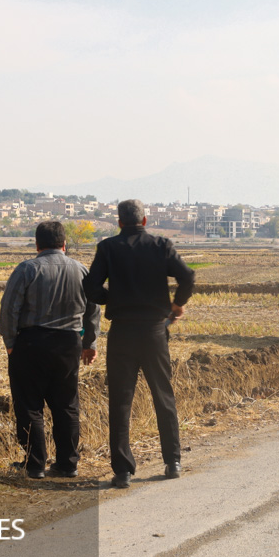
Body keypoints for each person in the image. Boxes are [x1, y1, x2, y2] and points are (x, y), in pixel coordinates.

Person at [84, 200, 196, 488]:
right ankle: (173, 461)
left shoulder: (107, 248)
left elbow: (91, 287)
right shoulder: (161, 245)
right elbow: (187, 276)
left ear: (119, 222)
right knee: (163, 395)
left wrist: (113, 298)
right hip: (154, 331)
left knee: (121, 400)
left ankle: (123, 471)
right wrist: (178, 303)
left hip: (122, 331)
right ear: (144, 221)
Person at [0, 221, 100, 479]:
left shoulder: (26, 270)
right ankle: (67, 464)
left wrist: (10, 343)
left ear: (37, 245)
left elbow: (9, 310)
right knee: (66, 405)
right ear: (64, 244)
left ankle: (34, 465)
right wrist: (89, 344)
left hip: (31, 343)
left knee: (30, 405)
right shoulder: (81, 270)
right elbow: (93, 311)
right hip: (68, 345)